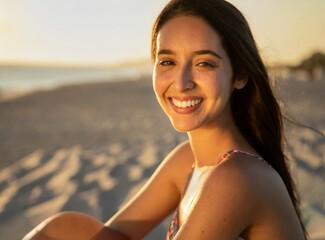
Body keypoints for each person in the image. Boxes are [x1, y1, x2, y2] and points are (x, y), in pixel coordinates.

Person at [23, 0, 308, 239]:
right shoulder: (187, 161)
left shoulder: (238, 177)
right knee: (65, 228)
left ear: (240, 75)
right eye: (167, 62)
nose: (182, 83)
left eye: (204, 63)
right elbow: (118, 234)